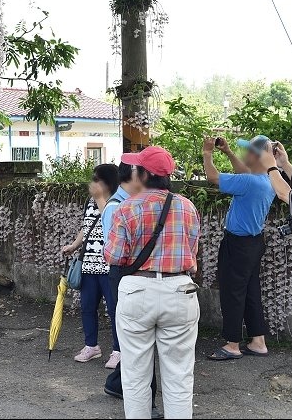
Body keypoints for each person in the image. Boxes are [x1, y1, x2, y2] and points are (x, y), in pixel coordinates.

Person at [105, 146, 201, 419]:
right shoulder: (187, 206)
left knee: (135, 376)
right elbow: (192, 253)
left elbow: (114, 256)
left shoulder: (126, 207)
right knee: (179, 377)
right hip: (179, 291)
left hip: (138, 291)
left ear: (144, 173)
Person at [203, 136, 276, 360]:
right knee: (251, 291)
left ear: (256, 156)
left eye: (248, 151)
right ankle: (258, 341)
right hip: (254, 243)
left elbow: (213, 177)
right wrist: (228, 152)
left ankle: (232, 344)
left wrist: (208, 153)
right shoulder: (269, 180)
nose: (244, 154)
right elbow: (245, 172)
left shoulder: (249, 183)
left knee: (232, 292)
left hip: (238, 244)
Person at [101, 163, 161, 418]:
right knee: (136, 339)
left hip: (135, 277)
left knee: (136, 339)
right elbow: (113, 253)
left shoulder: (134, 204)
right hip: (126, 276)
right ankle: (140, 397)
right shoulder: (119, 206)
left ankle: (118, 383)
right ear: (135, 176)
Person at [61, 164, 121, 368]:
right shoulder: (90, 202)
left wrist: (99, 198)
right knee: (87, 307)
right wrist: (74, 245)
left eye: (96, 179)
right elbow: (87, 227)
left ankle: (118, 349)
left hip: (108, 265)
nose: (92, 183)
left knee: (114, 309)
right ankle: (91, 346)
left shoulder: (116, 202)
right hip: (89, 262)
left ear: (107, 182)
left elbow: (109, 223)